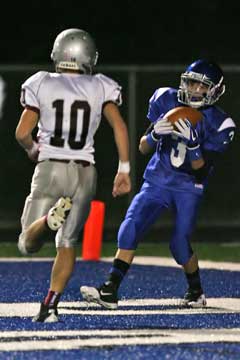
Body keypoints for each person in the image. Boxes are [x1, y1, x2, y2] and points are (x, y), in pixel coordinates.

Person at [80, 59, 236, 309]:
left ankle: (195, 290)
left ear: (215, 90)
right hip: (159, 178)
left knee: (179, 244)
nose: (194, 90)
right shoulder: (167, 99)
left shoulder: (221, 123)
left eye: (202, 86)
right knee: (130, 226)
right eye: (191, 83)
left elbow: (201, 170)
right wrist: (154, 135)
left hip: (188, 186)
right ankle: (110, 289)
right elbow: (143, 147)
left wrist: (194, 147)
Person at [15, 28, 131, 322]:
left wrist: (32, 148)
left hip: (51, 167)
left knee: (28, 243)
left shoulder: (41, 82)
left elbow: (22, 132)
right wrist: (124, 168)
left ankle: (46, 220)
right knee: (67, 243)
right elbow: (118, 127)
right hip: (85, 172)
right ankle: (50, 305)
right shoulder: (100, 85)